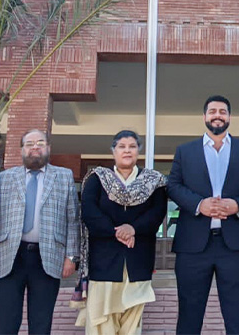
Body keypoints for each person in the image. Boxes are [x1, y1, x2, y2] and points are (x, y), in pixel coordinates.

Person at [167, 95, 239, 334]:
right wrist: (200, 205)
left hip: (235, 245)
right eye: (212, 111)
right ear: (204, 117)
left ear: (229, 117)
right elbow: (174, 186)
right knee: (189, 314)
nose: (217, 115)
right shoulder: (185, 151)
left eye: (222, 111)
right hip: (193, 246)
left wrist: (237, 205)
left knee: (237, 314)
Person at [0, 129, 80, 334]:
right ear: (22, 150)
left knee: (41, 323)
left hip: (47, 257)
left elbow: (72, 219)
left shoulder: (64, 176)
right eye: (29, 143)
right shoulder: (6, 177)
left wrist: (71, 256)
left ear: (48, 148)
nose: (35, 147)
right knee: (5, 323)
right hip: (10, 256)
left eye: (40, 143)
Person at [76, 130, 167, 334]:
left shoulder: (154, 181)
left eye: (132, 146)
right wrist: (116, 232)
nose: (127, 150)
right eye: (122, 146)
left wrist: (133, 228)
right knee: (101, 321)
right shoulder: (97, 179)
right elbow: (89, 212)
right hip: (104, 261)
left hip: (138, 261)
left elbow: (157, 213)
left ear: (138, 151)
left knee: (132, 323)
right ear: (113, 151)